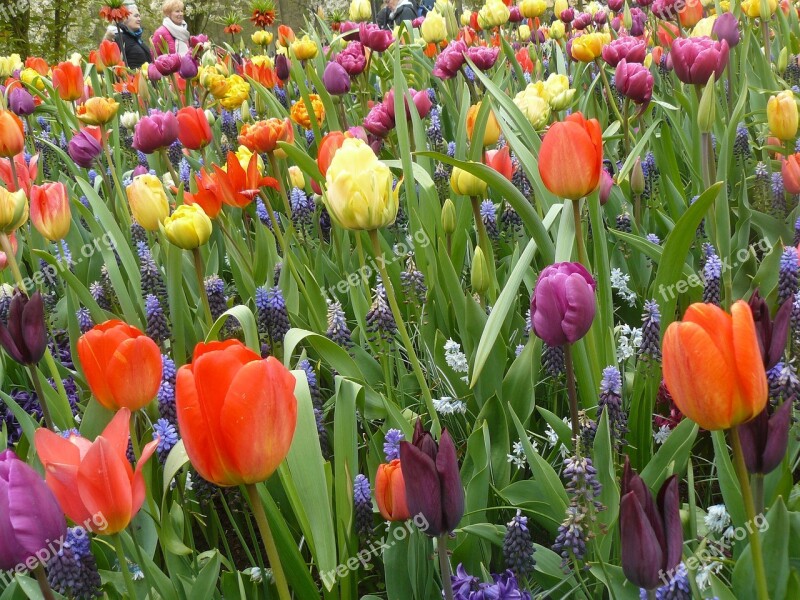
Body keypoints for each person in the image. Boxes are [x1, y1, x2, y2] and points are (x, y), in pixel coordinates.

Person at [114, 5, 153, 69]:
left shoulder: (137, 39)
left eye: (139, 16)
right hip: (133, 77)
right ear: (124, 18)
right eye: (136, 16)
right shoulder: (120, 38)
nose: (139, 19)